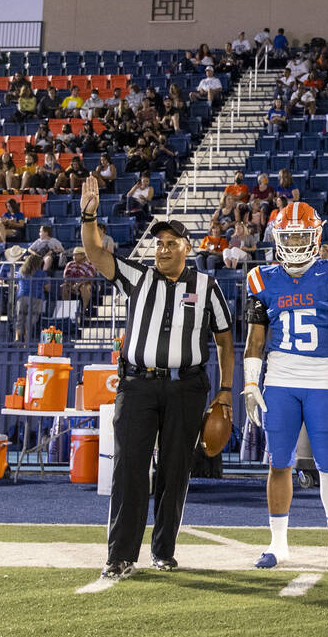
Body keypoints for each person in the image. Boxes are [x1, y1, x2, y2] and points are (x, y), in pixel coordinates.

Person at [80, 176, 235, 581]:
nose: (163, 249)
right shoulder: (138, 277)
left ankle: (163, 550)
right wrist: (89, 214)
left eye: (171, 244)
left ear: (188, 248)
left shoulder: (206, 286)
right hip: (138, 385)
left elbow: (224, 341)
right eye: (159, 243)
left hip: (187, 385)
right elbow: (95, 251)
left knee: (175, 469)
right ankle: (119, 555)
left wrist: (225, 391)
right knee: (129, 468)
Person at [242, 202, 328, 570]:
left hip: (323, 376)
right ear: (277, 237)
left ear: (315, 237)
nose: (293, 243)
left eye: (300, 235)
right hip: (279, 379)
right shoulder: (262, 278)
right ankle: (278, 544)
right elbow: (255, 339)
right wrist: (249, 381)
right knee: (279, 462)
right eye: (287, 235)